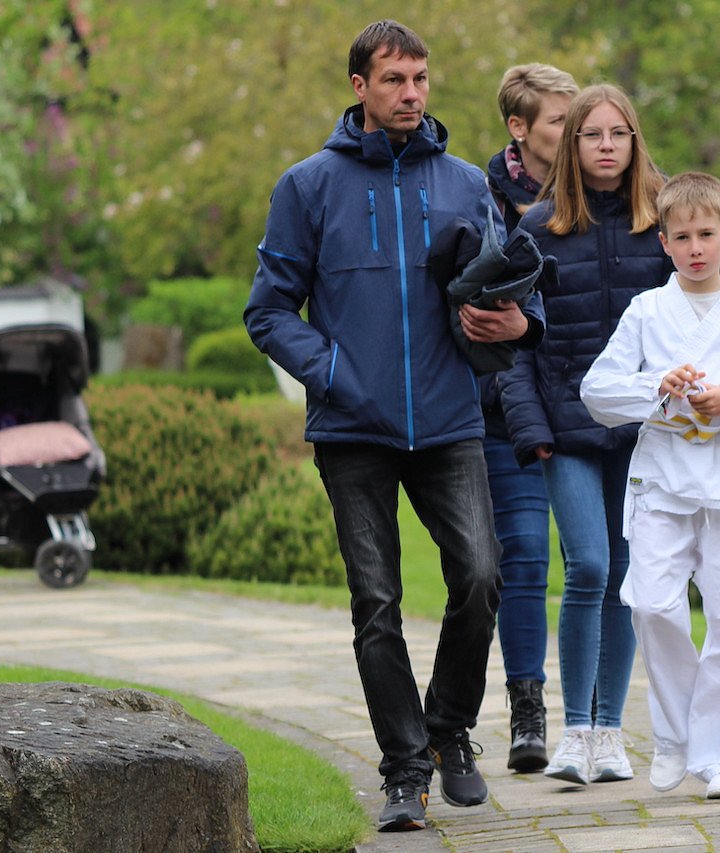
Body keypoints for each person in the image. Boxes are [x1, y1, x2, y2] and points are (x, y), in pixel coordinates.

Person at [243, 20, 544, 833]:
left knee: (480, 575)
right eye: (394, 80)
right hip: (353, 431)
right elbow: (268, 311)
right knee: (376, 601)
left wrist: (518, 323)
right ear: (360, 87)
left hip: (449, 421)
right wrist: (337, 373)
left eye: (420, 79)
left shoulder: (465, 184)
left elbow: (515, 287)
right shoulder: (307, 186)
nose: (411, 94)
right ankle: (405, 770)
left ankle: (448, 728)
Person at [579, 172, 720, 799]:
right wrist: (657, 386)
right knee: (652, 606)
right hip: (661, 483)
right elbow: (597, 391)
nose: (696, 248)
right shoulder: (646, 311)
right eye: (682, 237)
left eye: (706, 234)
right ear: (664, 242)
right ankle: (678, 734)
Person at [500, 83, 673, 786]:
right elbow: (512, 344)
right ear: (571, 144)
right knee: (590, 568)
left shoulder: (661, 225)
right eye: (592, 134)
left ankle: (610, 733)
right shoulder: (538, 230)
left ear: (635, 142)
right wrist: (531, 427)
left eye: (618, 133)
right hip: (565, 431)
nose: (606, 146)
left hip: (642, 434)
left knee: (625, 579)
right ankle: (575, 731)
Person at [483, 63, 579, 774]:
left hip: (582, 405)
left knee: (594, 559)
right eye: (559, 120)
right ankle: (527, 710)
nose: (575, 132)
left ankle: (595, 716)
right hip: (503, 407)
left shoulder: (604, 194)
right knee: (521, 553)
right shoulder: (480, 199)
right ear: (519, 128)